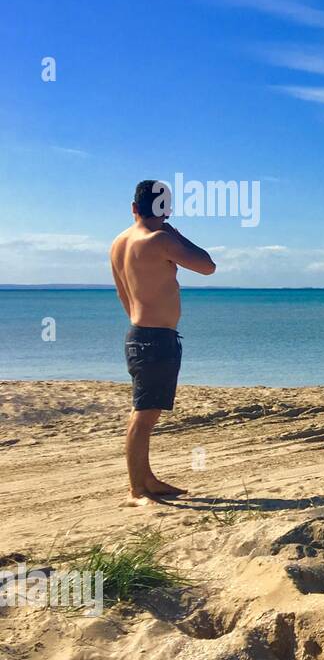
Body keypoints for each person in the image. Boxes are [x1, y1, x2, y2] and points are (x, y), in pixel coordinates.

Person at [108, 180, 216, 505]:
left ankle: (146, 479)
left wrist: (142, 323)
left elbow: (123, 294)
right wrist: (177, 235)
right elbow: (207, 266)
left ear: (134, 207)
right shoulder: (160, 240)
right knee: (144, 414)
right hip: (156, 339)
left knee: (145, 413)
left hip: (138, 333)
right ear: (166, 210)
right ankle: (137, 488)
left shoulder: (119, 242)